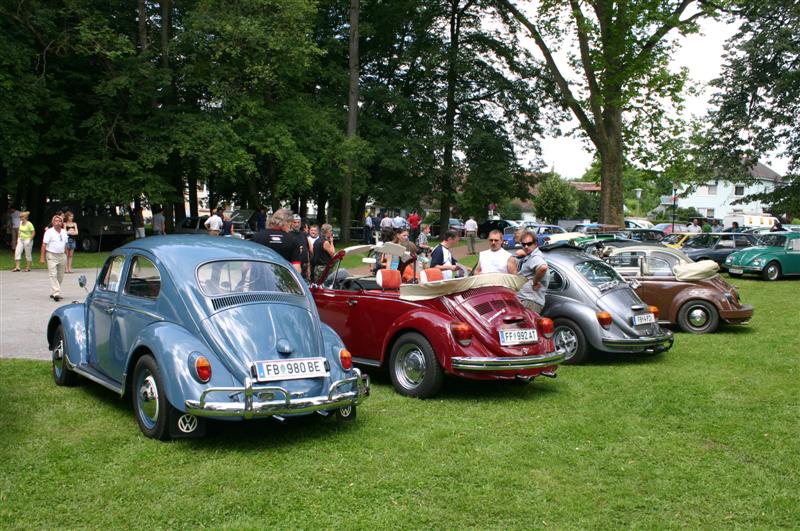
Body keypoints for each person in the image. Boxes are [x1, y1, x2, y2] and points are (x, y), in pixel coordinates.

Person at [253, 209, 303, 274]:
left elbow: (246, 266)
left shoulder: (257, 237)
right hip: (282, 281)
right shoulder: (293, 240)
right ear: (286, 223)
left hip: (260, 278)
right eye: (290, 224)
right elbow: (296, 268)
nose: (290, 228)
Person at [516, 231, 548, 313]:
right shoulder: (531, 255)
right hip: (527, 300)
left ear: (536, 244)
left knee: (526, 326)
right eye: (523, 244)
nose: (526, 246)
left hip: (530, 301)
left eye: (529, 244)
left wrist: (535, 282)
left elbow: (543, 267)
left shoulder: (535, 257)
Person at [41, 214, 69, 301]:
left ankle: (53, 292)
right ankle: (56, 293)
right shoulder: (49, 232)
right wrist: (42, 257)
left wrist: (66, 255)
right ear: (53, 222)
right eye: (55, 221)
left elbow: (65, 244)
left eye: (59, 221)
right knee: (53, 274)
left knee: (60, 276)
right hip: (51, 255)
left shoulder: (64, 232)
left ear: (61, 223)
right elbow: (44, 244)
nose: (57, 223)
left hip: (62, 255)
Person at [290, 214, 311, 281]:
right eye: (295, 222)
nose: (297, 224)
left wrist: (308, 267)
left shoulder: (304, 234)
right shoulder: (288, 234)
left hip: (304, 265)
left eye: (298, 222)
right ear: (291, 223)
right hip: (294, 265)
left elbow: (307, 250)